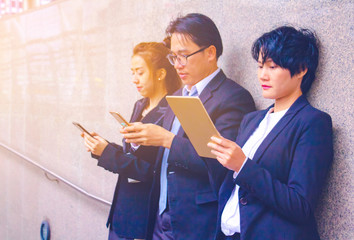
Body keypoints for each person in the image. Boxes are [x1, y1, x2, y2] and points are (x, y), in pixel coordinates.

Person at [122, 13, 255, 240]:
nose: (178, 65)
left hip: (196, 222)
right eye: (174, 57)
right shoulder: (177, 95)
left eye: (184, 56)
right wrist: (139, 140)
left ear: (210, 53)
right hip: (160, 214)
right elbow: (163, 156)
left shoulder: (233, 98)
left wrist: (167, 139)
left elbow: (219, 163)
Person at [207, 26, 334, 240]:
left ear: (302, 69)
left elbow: (300, 205)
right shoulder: (251, 120)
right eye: (259, 66)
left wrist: (242, 165)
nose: (262, 75)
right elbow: (231, 186)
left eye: (272, 66)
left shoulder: (313, 122)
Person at [81, 39, 181, 240]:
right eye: (132, 72)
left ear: (160, 74)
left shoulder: (172, 111)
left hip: (143, 214)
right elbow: (132, 154)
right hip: (122, 209)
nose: (135, 79)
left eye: (140, 72)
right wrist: (103, 147)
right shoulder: (140, 105)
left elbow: (153, 170)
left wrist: (107, 154)